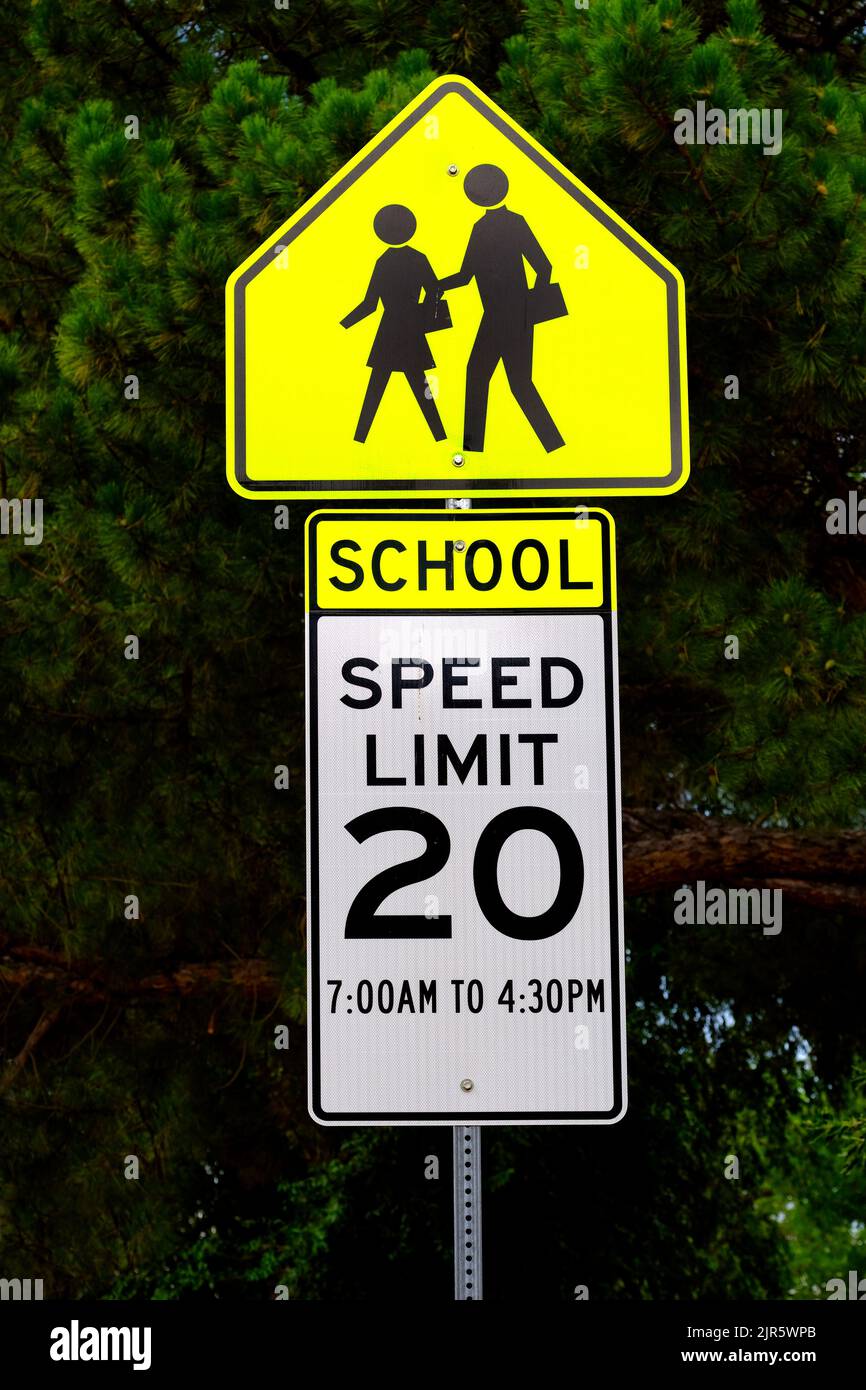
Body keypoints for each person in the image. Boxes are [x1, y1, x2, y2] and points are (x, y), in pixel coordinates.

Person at [439, 164, 565, 453]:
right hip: (506, 317)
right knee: (503, 381)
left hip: (506, 317)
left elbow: (466, 275)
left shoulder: (494, 226)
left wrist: (437, 285)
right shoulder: (499, 225)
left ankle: (478, 449)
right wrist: (438, 285)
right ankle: (547, 445)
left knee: (497, 379)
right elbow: (542, 267)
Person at [341, 204, 447, 443]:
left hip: (389, 329)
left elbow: (369, 304)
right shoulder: (419, 258)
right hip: (411, 329)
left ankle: (360, 438)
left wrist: (345, 324)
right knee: (421, 387)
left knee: (377, 385)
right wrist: (424, 316)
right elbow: (435, 290)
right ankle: (440, 437)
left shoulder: (383, 262)